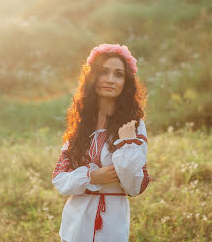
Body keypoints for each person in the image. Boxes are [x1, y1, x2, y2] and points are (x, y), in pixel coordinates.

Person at [52, 43, 151, 242]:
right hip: (75, 227)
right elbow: (60, 180)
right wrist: (92, 176)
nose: (110, 80)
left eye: (118, 74)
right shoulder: (81, 124)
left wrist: (128, 142)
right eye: (104, 72)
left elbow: (133, 186)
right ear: (93, 76)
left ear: (126, 82)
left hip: (111, 228)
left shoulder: (133, 125)